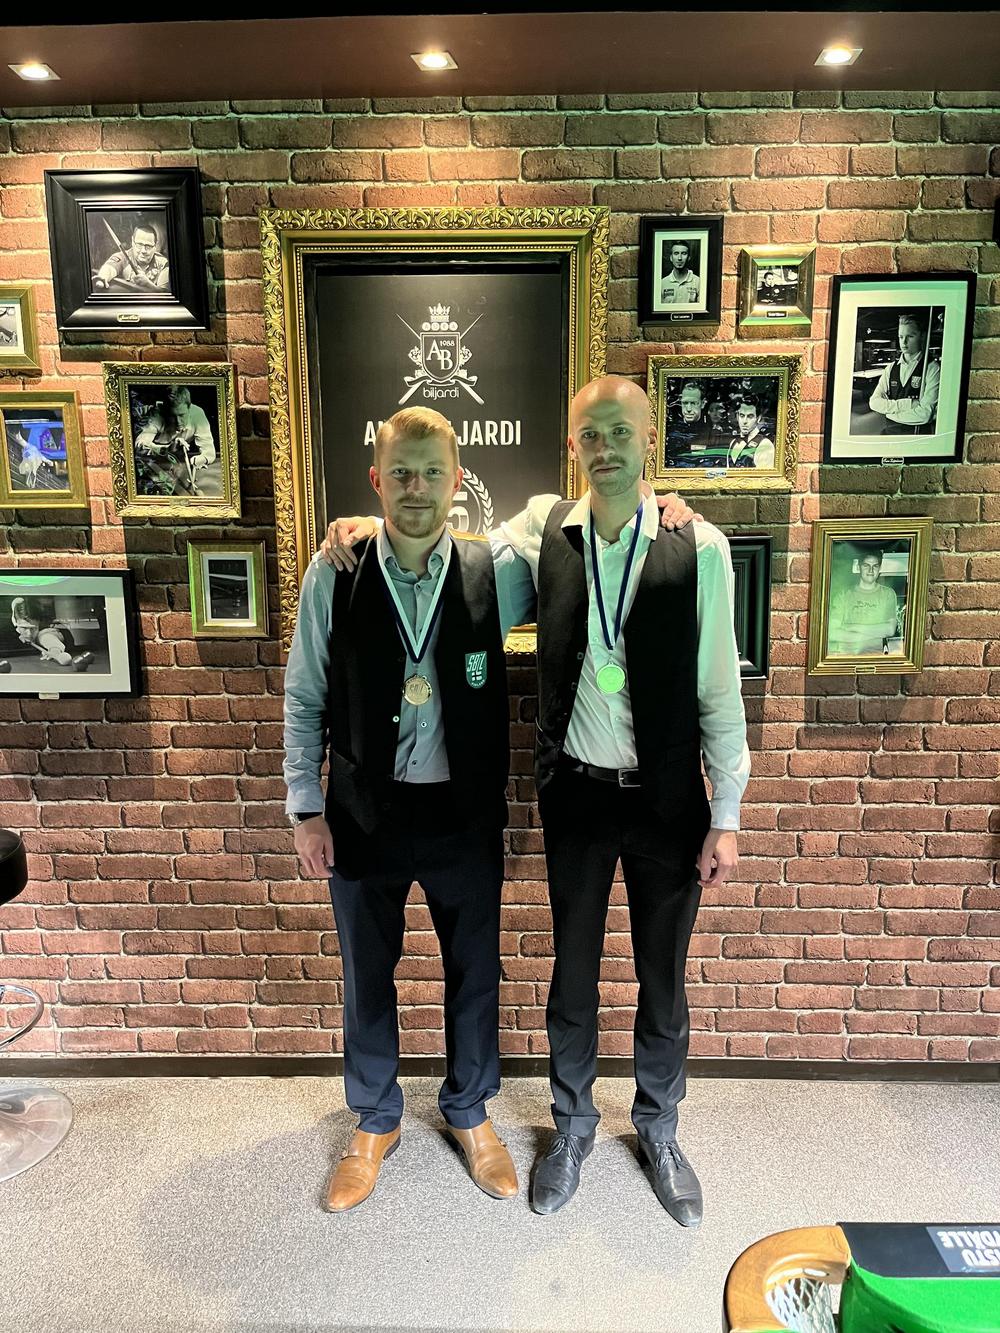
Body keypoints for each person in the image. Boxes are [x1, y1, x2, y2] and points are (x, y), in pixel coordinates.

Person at [323, 380, 745, 1228]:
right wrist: (365, 529)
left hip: (668, 800)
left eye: (621, 431)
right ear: (573, 444)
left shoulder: (700, 545)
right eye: (590, 433)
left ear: (649, 438)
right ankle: (573, 1130)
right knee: (572, 978)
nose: (605, 447)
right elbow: (445, 556)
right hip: (576, 796)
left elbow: (718, 689)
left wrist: (727, 812)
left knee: (663, 980)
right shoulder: (543, 530)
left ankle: (660, 1129)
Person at [133, 386, 216, 496]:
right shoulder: (157, 415)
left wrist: (199, 460)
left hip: (178, 462)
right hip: (151, 460)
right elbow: (139, 445)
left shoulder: (198, 415)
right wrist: (166, 449)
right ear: (165, 411)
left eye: (182, 415)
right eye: (172, 416)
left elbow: (209, 451)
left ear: (189, 408)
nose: (178, 422)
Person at [868, 313, 940, 435]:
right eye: (901, 337)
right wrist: (908, 404)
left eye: (910, 336)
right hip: (890, 435)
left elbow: (925, 415)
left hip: (917, 438)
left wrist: (888, 413)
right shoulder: (890, 368)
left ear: (922, 336)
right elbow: (874, 402)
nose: (904, 342)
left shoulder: (932, 368)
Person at [828, 548, 899, 656]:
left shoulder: (888, 594)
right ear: (858, 567)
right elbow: (832, 633)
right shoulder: (843, 595)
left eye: (875, 566)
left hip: (875, 656)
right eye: (866, 565)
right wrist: (876, 633)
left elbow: (890, 629)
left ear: (879, 568)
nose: (871, 570)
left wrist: (854, 627)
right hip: (845, 656)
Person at [0, 597, 93, 673]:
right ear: (15, 623)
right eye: (24, 628)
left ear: (38, 623)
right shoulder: (11, 626)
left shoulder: (44, 633)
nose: (29, 633)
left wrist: (55, 651)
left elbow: (50, 640)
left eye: (33, 629)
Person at [93, 222, 170, 293]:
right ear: (133, 242)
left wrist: (148, 285)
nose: (143, 250)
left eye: (148, 246)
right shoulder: (123, 257)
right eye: (139, 244)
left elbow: (165, 294)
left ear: (155, 245)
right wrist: (102, 278)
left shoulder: (163, 263)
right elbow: (109, 268)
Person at [666, 381, 713, 463]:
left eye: (693, 403)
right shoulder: (669, 431)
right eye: (685, 403)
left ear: (703, 403)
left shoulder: (711, 432)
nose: (688, 409)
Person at [727, 396, 775, 470]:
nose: (744, 421)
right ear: (737, 416)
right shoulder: (733, 443)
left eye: (750, 416)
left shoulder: (765, 445)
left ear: (758, 419)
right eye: (742, 416)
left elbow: (764, 476)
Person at [660, 241, 700, 306]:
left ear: (689, 257)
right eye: (676, 253)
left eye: (684, 253)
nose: (679, 258)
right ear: (671, 258)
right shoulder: (662, 283)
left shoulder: (698, 282)